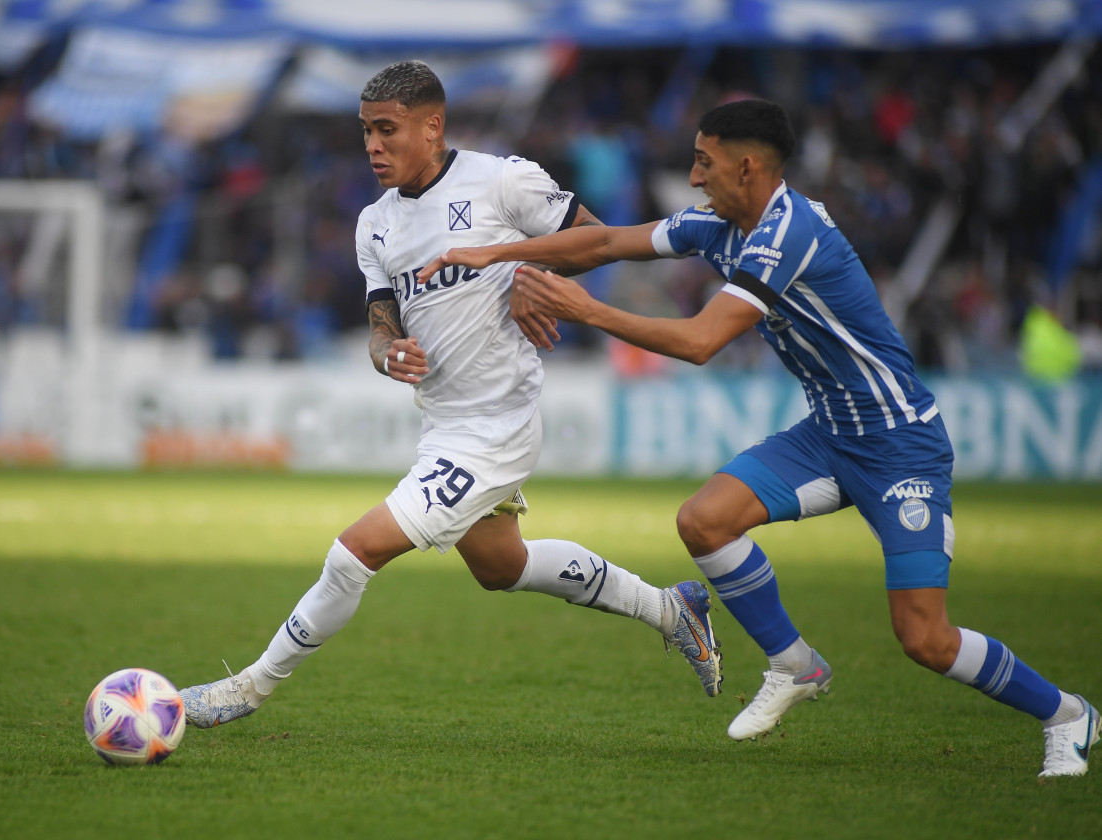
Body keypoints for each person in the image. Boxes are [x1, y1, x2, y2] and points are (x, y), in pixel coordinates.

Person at [417, 98, 1098, 778]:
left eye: (703, 162)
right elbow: (604, 242)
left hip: (898, 447)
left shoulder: (788, 231)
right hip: (828, 433)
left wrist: (586, 309)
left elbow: (701, 340)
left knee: (925, 638)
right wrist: (496, 253)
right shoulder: (719, 221)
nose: (691, 176)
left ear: (747, 168)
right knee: (704, 522)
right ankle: (795, 664)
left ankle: (1067, 713)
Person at [178, 61, 722, 730]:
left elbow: (595, 241)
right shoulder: (374, 226)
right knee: (503, 567)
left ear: (432, 126)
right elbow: (383, 326)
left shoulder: (502, 181)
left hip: (498, 425)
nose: (373, 146)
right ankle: (671, 609)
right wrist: (386, 353)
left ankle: (250, 687)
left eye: (387, 130)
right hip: (444, 425)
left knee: (355, 552)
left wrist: (525, 266)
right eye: (366, 132)